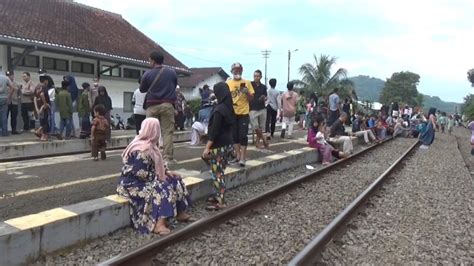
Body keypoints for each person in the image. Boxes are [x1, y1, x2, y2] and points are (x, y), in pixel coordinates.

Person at [117, 117, 192, 234]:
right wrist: (158, 178)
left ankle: (180, 211)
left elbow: (159, 164)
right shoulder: (141, 149)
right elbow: (139, 173)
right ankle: (158, 223)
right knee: (162, 188)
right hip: (132, 184)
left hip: (147, 180)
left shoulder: (152, 146)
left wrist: (166, 172)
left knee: (175, 180)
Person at [202, 82, 235, 210]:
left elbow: (214, 131)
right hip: (228, 144)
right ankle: (218, 195)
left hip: (218, 145)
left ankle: (221, 201)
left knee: (217, 173)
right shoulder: (229, 107)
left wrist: (207, 147)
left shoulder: (218, 110)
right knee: (219, 171)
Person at [140, 51, 178, 163]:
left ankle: (152, 156)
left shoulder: (147, 74)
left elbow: (142, 89)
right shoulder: (172, 73)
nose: (149, 62)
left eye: (149, 60)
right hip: (167, 104)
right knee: (167, 132)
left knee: (150, 132)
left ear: (153, 60)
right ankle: (167, 158)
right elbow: (174, 85)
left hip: (152, 105)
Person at [226, 62, 254, 167]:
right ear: (232, 71)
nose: (237, 71)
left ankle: (243, 157)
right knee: (234, 136)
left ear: (242, 71)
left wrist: (246, 92)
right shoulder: (228, 83)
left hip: (244, 113)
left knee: (243, 135)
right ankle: (237, 156)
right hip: (232, 113)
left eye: (239, 69)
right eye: (235, 70)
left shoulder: (247, 82)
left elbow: (251, 99)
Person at [250, 70, 268, 148]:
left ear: (261, 77)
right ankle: (264, 139)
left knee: (261, 127)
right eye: (255, 76)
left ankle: (257, 143)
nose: (256, 77)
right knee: (255, 126)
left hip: (262, 108)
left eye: (257, 76)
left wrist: (263, 98)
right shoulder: (250, 84)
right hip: (252, 108)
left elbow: (266, 96)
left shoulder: (263, 87)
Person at [33, 75, 52, 141]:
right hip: (44, 107)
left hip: (38, 107)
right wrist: (44, 105)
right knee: (46, 121)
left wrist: (37, 109)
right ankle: (44, 135)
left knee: (42, 121)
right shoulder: (44, 87)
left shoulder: (37, 87)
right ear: (45, 81)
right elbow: (42, 95)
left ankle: (39, 131)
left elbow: (35, 98)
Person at [0, 72, 13, 136]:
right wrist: (9, 97)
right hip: (4, 98)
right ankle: (4, 132)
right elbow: (12, 87)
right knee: (4, 116)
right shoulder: (6, 78)